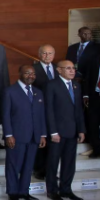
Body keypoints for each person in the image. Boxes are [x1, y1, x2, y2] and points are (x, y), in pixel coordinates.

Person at [1, 65, 46, 200]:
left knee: (28, 166)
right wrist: (8, 134)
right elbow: (6, 115)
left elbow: (41, 116)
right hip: (16, 135)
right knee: (14, 165)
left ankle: (24, 191)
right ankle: (13, 192)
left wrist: (43, 134)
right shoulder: (10, 91)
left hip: (34, 136)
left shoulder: (38, 92)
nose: (30, 76)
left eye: (33, 74)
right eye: (27, 73)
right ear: (20, 73)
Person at [45, 60, 86, 200]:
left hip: (73, 131)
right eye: (68, 68)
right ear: (59, 70)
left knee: (69, 163)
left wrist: (81, 129)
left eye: (73, 68)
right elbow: (49, 110)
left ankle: (66, 190)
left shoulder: (76, 85)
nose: (72, 71)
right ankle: (52, 191)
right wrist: (53, 132)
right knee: (53, 162)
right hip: (58, 132)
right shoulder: (52, 85)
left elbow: (79, 109)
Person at [32, 44, 56, 178]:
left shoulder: (59, 69)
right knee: (41, 141)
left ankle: (50, 170)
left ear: (54, 55)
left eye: (50, 53)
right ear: (39, 54)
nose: (47, 56)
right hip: (39, 109)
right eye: (44, 53)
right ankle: (39, 169)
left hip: (55, 110)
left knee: (53, 144)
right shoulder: (33, 69)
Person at [83, 50, 100, 158]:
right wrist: (86, 95)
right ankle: (97, 149)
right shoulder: (95, 58)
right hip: (95, 95)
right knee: (93, 123)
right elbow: (88, 77)